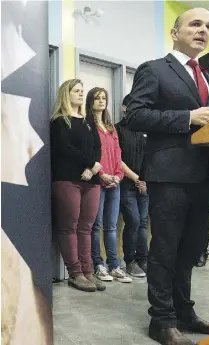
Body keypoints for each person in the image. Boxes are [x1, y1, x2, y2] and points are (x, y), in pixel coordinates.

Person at [126, 8, 209, 345]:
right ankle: (162, 320)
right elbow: (135, 115)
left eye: (208, 26)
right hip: (169, 174)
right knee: (166, 250)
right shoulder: (154, 69)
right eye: (195, 24)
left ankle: (185, 313)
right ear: (175, 32)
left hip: (205, 175)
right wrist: (187, 116)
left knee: (191, 249)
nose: (203, 30)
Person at [50, 79, 105, 293]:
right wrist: (91, 164)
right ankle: (75, 274)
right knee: (69, 227)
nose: (81, 94)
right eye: (77, 91)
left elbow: (97, 147)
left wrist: (92, 169)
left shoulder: (89, 121)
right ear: (67, 94)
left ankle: (88, 272)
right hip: (67, 179)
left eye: (82, 91)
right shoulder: (58, 121)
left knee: (86, 228)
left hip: (91, 181)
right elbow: (65, 148)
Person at [86, 87, 132, 284]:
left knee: (112, 227)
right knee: (96, 226)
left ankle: (114, 265)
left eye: (104, 98)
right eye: (97, 98)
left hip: (115, 182)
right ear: (91, 102)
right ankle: (98, 264)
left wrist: (119, 176)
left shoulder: (110, 126)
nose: (101, 101)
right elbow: (91, 154)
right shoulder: (88, 124)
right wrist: (103, 174)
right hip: (98, 181)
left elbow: (118, 154)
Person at [116, 94, 149, 278]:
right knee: (134, 220)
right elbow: (117, 159)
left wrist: (145, 180)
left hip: (144, 185)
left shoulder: (146, 130)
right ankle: (130, 261)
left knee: (143, 223)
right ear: (124, 107)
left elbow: (150, 157)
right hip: (126, 184)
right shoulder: (118, 129)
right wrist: (136, 178)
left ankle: (143, 260)